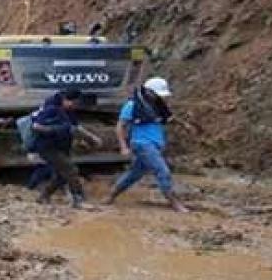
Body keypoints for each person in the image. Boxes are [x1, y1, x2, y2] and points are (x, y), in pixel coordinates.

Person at [104, 77, 188, 212]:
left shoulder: (158, 105)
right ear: (148, 91)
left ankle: (111, 195)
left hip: (154, 144)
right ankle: (175, 203)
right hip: (142, 144)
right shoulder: (132, 106)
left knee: (134, 173)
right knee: (162, 171)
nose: (159, 97)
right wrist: (123, 146)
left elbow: (169, 118)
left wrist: (184, 125)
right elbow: (120, 127)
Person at [32, 89, 102, 208]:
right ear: (65, 99)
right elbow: (36, 126)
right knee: (70, 169)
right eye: (72, 103)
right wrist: (58, 130)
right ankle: (78, 199)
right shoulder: (51, 109)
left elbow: (75, 127)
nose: (74, 106)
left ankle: (44, 196)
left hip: (61, 146)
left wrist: (92, 138)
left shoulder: (68, 111)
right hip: (48, 147)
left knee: (61, 175)